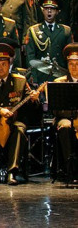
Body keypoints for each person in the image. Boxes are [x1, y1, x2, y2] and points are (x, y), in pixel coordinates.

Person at [0, 43, 40, 185]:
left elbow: (32, 107)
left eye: (4, 64)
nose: (1, 68)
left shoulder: (20, 81)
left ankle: (12, 172)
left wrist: (34, 99)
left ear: (9, 65)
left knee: (20, 129)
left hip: (13, 122)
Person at [51, 43, 78, 179]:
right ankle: (69, 168)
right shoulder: (59, 82)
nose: (74, 67)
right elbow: (56, 110)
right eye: (71, 64)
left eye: (77, 64)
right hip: (65, 118)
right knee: (66, 126)